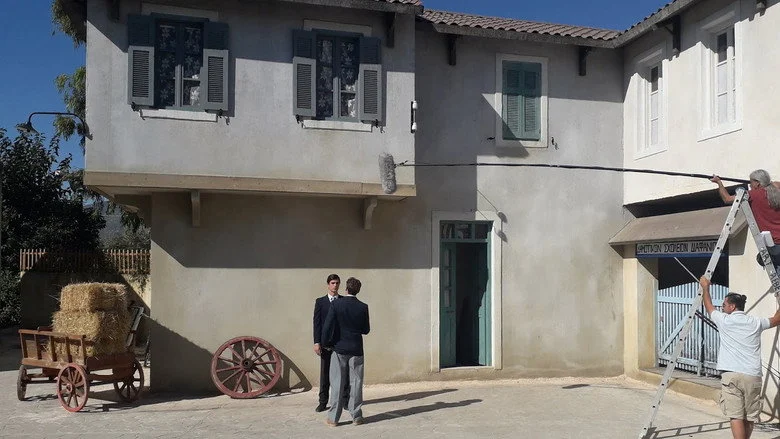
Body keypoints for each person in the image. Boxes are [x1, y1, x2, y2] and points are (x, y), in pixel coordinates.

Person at [700, 276, 780, 439]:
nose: (722, 307)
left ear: (732, 306)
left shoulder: (724, 320)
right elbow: (777, 319)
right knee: (750, 416)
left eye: (724, 305)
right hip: (752, 375)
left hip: (731, 375)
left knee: (736, 415)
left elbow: (708, 306)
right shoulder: (756, 322)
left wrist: (705, 288)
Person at [322, 277, 370, 426]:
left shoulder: (336, 304)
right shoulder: (363, 307)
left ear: (346, 289)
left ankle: (333, 418)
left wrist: (326, 343)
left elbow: (327, 326)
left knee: (337, 383)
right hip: (356, 348)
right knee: (356, 383)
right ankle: (357, 416)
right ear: (358, 290)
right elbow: (366, 330)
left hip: (339, 348)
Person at [711, 170, 780, 269]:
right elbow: (776, 184)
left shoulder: (753, 195)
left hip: (774, 244)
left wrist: (719, 182)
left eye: (751, 182)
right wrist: (770, 184)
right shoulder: (776, 192)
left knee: (762, 259)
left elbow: (727, 199)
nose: (750, 185)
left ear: (757, 183)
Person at [312, 274, 343, 412]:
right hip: (325, 344)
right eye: (332, 283)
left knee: (342, 373)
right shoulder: (320, 302)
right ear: (328, 284)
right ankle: (323, 402)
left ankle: (343, 400)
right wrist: (316, 342)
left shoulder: (343, 301)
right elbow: (317, 323)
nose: (335, 285)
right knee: (325, 374)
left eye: (337, 283)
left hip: (340, 343)